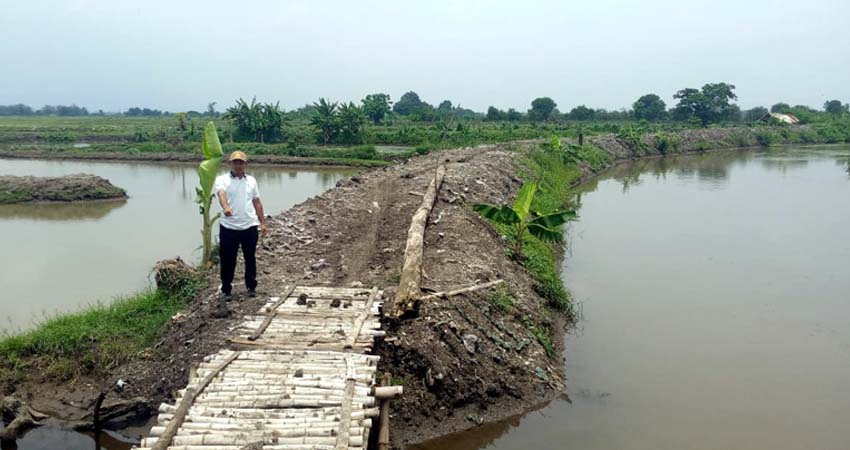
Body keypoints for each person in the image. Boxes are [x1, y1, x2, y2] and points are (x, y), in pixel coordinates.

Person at [214, 150, 267, 300]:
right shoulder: (222, 180)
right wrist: (226, 208)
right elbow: (221, 194)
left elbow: (257, 202)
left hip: (249, 226)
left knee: (250, 258)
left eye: (241, 162)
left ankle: (251, 287)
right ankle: (226, 290)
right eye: (235, 162)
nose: (238, 165)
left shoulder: (251, 181)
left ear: (245, 164)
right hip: (229, 227)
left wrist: (262, 222)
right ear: (230, 164)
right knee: (228, 260)